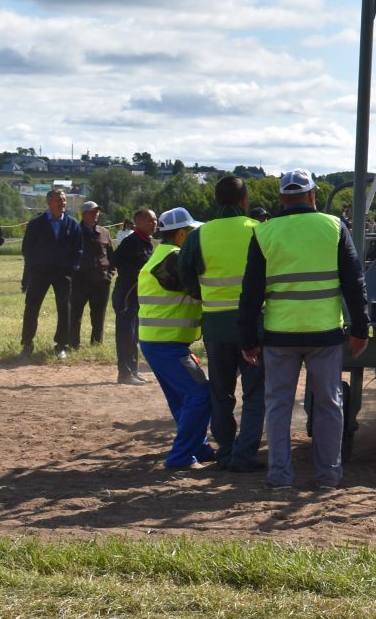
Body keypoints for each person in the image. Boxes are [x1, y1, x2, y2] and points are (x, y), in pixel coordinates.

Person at [238, 168, 370, 492]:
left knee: (278, 405)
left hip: (279, 336)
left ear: (282, 199)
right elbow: (354, 283)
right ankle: (329, 477)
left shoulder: (265, 233)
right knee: (328, 404)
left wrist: (248, 339)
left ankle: (280, 478)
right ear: (313, 195)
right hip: (324, 333)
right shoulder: (333, 226)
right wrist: (361, 328)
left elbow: (251, 292)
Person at [180, 177, 264, 471]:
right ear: (244, 201)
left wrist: (202, 293)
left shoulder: (199, 235)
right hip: (253, 325)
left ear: (216, 200)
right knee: (255, 392)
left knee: (221, 392)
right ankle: (246, 453)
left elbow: (185, 274)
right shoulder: (258, 230)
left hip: (215, 324)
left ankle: (226, 450)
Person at [136, 207, 214, 470]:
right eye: (193, 233)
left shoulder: (162, 255)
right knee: (200, 394)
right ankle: (181, 457)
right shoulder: (175, 259)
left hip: (158, 340)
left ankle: (199, 448)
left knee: (183, 398)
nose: (196, 238)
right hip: (167, 343)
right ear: (181, 234)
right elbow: (200, 288)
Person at [20, 187, 83, 360]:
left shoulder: (73, 224)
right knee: (32, 307)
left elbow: (78, 250)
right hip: (40, 273)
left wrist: (72, 269)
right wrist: (33, 268)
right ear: (49, 203)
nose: (63, 202)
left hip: (63, 274)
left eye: (64, 199)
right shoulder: (36, 223)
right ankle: (27, 343)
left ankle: (61, 345)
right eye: (58, 199)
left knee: (64, 308)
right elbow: (27, 248)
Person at [111, 207, 157, 384]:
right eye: (150, 220)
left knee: (135, 334)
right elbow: (116, 260)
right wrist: (138, 272)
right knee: (125, 334)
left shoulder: (147, 241)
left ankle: (134, 370)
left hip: (137, 295)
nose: (154, 224)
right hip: (125, 294)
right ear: (138, 223)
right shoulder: (131, 241)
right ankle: (124, 374)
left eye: (155, 220)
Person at [70, 201, 114, 346]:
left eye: (97, 212)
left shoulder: (105, 232)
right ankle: (73, 344)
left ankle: (96, 344)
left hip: (101, 282)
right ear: (83, 214)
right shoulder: (74, 231)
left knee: (98, 316)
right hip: (79, 281)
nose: (96, 214)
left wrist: (109, 275)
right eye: (92, 212)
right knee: (75, 314)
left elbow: (111, 256)